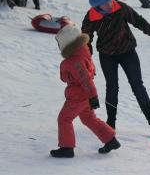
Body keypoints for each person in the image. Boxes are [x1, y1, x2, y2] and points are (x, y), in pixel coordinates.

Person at [81, 0, 150, 139]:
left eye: (110, 0)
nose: (110, 4)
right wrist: (87, 59)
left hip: (128, 51)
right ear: (97, 6)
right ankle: (110, 124)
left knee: (138, 86)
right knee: (112, 87)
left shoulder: (120, 7)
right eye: (105, 3)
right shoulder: (91, 17)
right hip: (107, 55)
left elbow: (138, 20)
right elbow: (86, 39)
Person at [50, 24, 120, 158]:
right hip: (84, 96)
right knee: (89, 119)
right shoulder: (82, 52)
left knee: (64, 118)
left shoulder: (75, 60)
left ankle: (66, 148)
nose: (59, 46)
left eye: (59, 43)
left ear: (67, 42)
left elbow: (85, 79)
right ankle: (111, 140)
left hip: (78, 96)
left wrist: (93, 96)